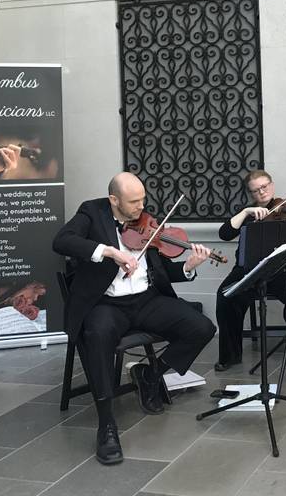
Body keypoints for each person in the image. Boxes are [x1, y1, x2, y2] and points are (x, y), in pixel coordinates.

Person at [53, 172, 216, 465]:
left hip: (146, 300)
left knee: (201, 327)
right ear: (114, 199)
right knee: (98, 336)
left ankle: (150, 375)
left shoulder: (147, 223)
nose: (141, 206)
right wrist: (110, 252)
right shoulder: (92, 212)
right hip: (107, 305)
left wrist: (189, 266)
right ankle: (107, 426)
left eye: (143, 199)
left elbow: (165, 270)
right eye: (133, 202)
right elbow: (62, 241)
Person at [214, 169, 286, 372]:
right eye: (255, 190)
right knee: (225, 295)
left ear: (272, 185)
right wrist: (245, 213)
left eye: (264, 187)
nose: (261, 192)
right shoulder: (249, 214)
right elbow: (224, 234)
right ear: (251, 194)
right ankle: (230, 355)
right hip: (251, 269)